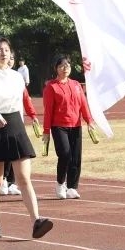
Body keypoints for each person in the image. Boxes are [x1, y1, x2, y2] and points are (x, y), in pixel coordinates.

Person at [0, 37, 53, 240]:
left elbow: (19, 104)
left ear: (11, 53)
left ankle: (36, 220)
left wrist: (20, 125)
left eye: (6, 50)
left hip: (16, 126)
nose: (3, 53)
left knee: (24, 178)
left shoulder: (17, 77)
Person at [42, 57, 97, 200]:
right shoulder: (51, 87)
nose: (65, 68)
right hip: (59, 126)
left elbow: (83, 104)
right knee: (65, 154)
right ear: (56, 68)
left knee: (76, 157)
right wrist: (46, 131)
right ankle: (61, 183)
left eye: (67, 65)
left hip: (76, 125)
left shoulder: (77, 85)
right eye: (61, 65)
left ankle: (72, 187)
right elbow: (48, 110)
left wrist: (89, 120)